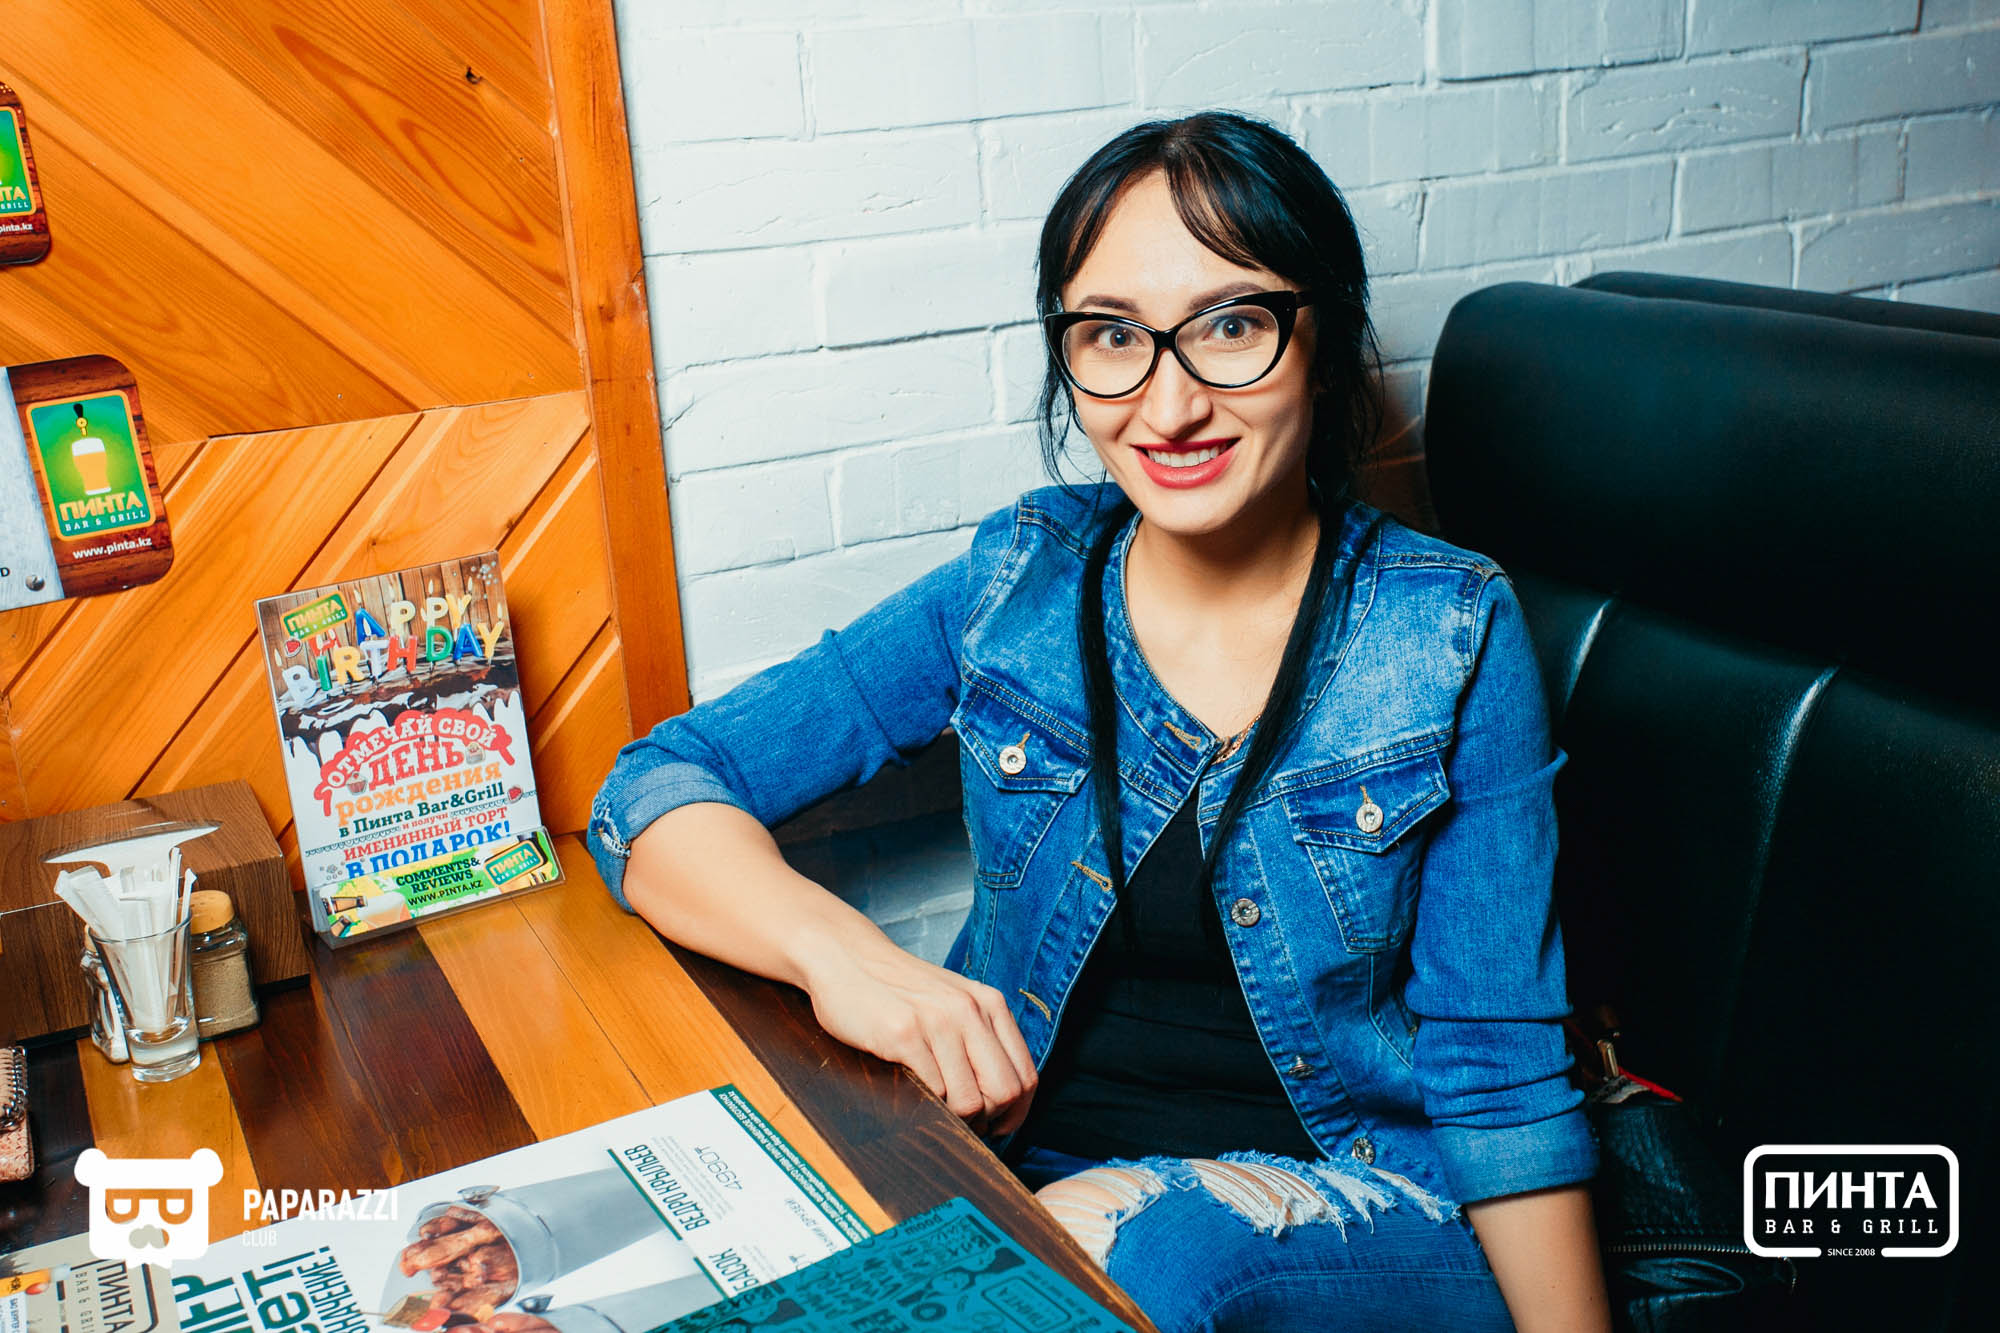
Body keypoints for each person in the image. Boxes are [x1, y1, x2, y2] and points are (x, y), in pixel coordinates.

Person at [587, 110, 1610, 1332]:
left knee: (1145, 1247)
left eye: (1229, 325)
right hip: (1012, 1178)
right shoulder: (1017, 581)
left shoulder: (1445, 630)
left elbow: (1500, 1079)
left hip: (1351, 1213)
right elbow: (655, 789)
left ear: (1325, 341)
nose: (1167, 406)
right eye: (1113, 336)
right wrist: (848, 962)